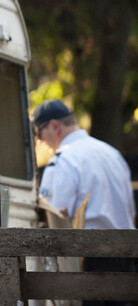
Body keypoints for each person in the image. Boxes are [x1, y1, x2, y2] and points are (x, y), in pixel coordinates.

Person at [33, 99, 136, 304]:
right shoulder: (112, 154)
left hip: (92, 263)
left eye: (39, 133)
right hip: (128, 258)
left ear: (54, 126)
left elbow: (56, 219)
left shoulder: (63, 161)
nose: (40, 141)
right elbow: (131, 211)